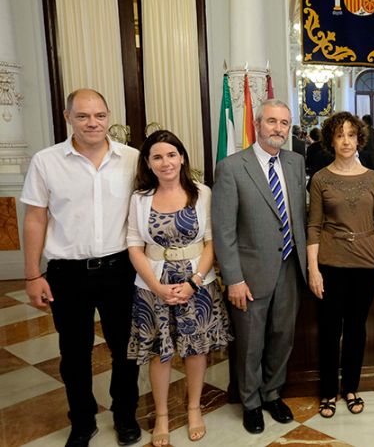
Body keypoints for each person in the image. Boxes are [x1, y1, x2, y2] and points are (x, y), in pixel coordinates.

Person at [21, 89, 141, 447]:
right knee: (74, 353)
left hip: (121, 270)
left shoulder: (131, 159)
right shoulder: (47, 161)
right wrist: (32, 274)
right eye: (84, 116)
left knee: (126, 350)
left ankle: (125, 416)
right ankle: (82, 420)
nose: (93, 123)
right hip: (67, 273)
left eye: (100, 115)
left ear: (109, 116)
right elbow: (35, 218)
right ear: (67, 116)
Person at [125, 130, 231, 446]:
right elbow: (133, 244)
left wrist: (194, 282)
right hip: (153, 285)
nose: (166, 162)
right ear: (148, 162)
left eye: (171, 155)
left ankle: (195, 408)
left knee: (195, 349)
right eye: (157, 156)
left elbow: (212, 241)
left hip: (196, 285)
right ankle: (161, 416)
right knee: (161, 352)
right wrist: (157, 286)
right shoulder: (139, 199)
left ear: (182, 158)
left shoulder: (201, 193)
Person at [212, 99, 307, 434]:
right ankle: (250, 402)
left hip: (290, 268)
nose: (278, 129)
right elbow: (223, 230)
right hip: (250, 275)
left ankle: (272, 393)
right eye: (271, 122)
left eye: (284, 123)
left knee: (283, 337)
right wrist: (233, 278)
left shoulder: (296, 163)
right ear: (257, 123)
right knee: (251, 342)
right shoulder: (232, 167)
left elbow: (299, 217)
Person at [307, 112, 374, 418]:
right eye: (340, 134)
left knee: (356, 328)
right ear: (331, 139)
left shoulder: (371, 178)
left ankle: (351, 388)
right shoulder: (320, 179)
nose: (346, 140)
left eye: (351, 135)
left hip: (367, 263)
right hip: (331, 263)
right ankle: (329, 391)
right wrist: (313, 269)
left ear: (359, 139)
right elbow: (314, 225)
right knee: (330, 330)